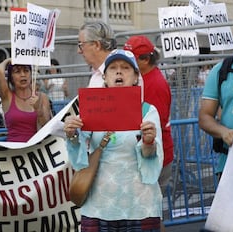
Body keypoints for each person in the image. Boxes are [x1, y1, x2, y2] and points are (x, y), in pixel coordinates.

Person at [64, 49, 164, 231]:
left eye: (125, 68)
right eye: (113, 68)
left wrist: (149, 142)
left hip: (139, 204)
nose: (119, 72)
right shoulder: (91, 107)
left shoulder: (148, 111)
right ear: (105, 77)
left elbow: (152, 160)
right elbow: (79, 158)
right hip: (99, 205)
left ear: (135, 77)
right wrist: (72, 134)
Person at [199, 10, 233, 231]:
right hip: (232, 166)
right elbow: (205, 117)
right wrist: (223, 132)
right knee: (231, 226)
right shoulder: (221, 71)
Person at [124, 35, 174, 195]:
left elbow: (154, 124)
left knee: (150, 213)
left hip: (154, 156)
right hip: (145, 153)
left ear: (145, 60)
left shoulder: (155, 84)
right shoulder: (142, 78)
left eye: (130, 58)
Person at [0, 58, 52, 142]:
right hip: (14, 149)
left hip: (37, 149)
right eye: (17, 71)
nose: (23, 75)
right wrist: (9, 59)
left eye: (26, 70)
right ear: (11, 77)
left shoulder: (42, 97)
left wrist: (39, 110)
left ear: (31, 74)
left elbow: (47, 126)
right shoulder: (7, 96)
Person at [78, 21, 117, 88]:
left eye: (81, 45)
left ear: (96, 45)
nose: (78, 51)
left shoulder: (120, 74)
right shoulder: (97, 73)